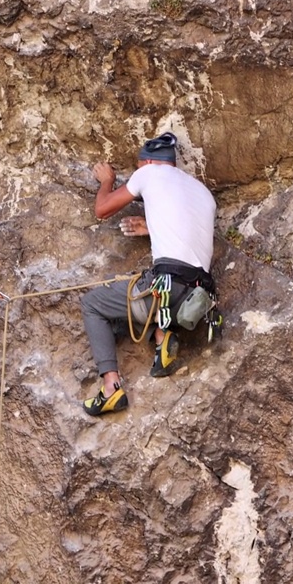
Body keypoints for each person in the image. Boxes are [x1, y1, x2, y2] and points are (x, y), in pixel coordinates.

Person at [79, 132, 217, 416]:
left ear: (150, 161)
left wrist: (108, 180)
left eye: (139, 168)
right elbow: (187, 234)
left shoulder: (150, 172)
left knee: (93, 304)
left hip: (167, 286)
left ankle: (110, 389)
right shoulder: (203, 193)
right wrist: (151, 228)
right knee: (139, 311)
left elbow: (102, 210)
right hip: (198, 297)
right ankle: (162, 335)